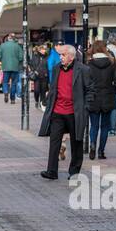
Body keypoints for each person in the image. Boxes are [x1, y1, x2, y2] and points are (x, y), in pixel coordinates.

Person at [38, 44, 87, 180]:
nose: (60, 57)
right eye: (60, 55)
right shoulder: (56, 68)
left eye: (63, 55)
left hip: (74, 112)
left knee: (76, 142)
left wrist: (85, 108)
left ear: (71, 57)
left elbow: (90, 90)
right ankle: (52, 171)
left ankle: (74, 172)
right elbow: (54, 87)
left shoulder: (82, 69)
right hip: (58, 111)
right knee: (54, 142)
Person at [85, 40, 116, 160]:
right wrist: (111, 91)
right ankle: (101, 151)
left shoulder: (89, 64)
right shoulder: (111, 63)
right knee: (105, 126)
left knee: (94, 125)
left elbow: (86, 83)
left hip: (93, 98)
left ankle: (93, 144)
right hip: (107, 97)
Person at [0, 33, 24, 104]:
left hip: (5, 67)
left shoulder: (3, 45)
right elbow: (21, 57)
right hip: (15, 67)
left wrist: (3, 60)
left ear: (8, 39)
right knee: (14, 83)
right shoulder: (17, 46)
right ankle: (12, 99)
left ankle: (5, 92)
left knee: (5, 82)